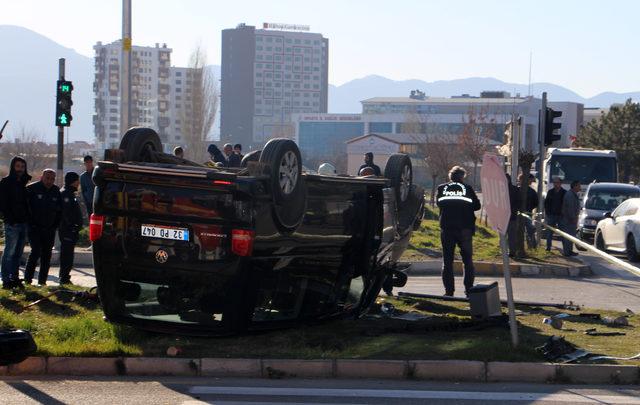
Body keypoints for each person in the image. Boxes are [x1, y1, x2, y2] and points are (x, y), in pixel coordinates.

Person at [436, 165, 481, 296]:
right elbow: (477, 206)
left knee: (447, 261)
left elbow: (439, 204)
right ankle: (469, 290)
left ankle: (449, 291)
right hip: (465, 228)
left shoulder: (441, 188)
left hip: (447, 228)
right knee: (467, 261)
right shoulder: (467, 189)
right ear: (462, 177)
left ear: (450, 176)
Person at [24, 169, 61, 286]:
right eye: (47, 178)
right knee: (35, 252)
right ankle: (27, 280)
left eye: (52, 179)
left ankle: (42, 281)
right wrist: (30, 224)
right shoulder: (32, 189)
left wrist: (55, 226)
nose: (49, 181)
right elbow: (26, 208)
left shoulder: (56, 191)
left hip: (49, 229)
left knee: (46, 255)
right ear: (42, 177)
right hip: (34, 228)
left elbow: (59, 211)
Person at [0, 156, 31, 289]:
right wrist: (10, 219)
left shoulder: (24, 183)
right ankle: (6, 279)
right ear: (13, 167)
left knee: (18, 253)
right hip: (12, 223)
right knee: (9, 252)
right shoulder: (6, 183)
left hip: (23, 222)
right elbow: (2, 204)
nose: (20, 169)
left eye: (22, 167)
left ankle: (15, 277)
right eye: (18, 166)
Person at [58, 172, 83, 285]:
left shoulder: (70, 193)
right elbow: (65, 214)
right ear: (73, 181)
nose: (79, 183)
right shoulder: (66, 194)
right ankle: (64, 277)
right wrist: (72, 227)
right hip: (67, 231)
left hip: (71, 230)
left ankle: (65, 276)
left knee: (68, 254)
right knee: (66, 255)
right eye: (77, 181)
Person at [544, 177, 566, 251]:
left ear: (560, 183)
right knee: (549, 232)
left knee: (562, 232)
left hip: (561, 216)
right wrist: (547, 212)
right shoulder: (550, 192)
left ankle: (565, 248)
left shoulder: (564, 192)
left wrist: (563, 213)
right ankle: (548, 247)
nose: (555, 184)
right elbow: (546, 203)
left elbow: (566, 204)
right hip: (551, 215)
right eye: (554, 182)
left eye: (557, 182)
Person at [519, 173, 540, 249]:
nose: (531, 182)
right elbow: (536, 203)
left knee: (530, 230)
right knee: (527, 230)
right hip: (523, 213)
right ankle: (531, 246)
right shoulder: (518, 190)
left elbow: (536, 203)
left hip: (527, 213)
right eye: (531, 180)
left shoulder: (531, 191)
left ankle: (532, 246)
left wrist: (529, 208)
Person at [561, 180, 582, 257]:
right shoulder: (570, 195)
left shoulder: (573, 194)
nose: (580, 187)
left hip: (571, 219)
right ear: (575, 186)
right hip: (569, 220)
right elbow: (570, 208)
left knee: (571, 236)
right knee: (568, 236)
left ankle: (569, 251)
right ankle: (567, 252)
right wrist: (573, 218)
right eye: (579, 186)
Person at [506, 173, 520, 256]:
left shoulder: (515, 190)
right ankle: (504, 249)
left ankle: (512, 251)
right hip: (502, 217)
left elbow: (519, 202)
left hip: (512, 216)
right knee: (503, 235)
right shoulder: (500, 189)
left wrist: (513, 210)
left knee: (512, 235)